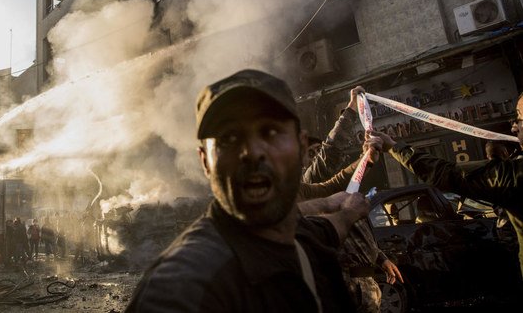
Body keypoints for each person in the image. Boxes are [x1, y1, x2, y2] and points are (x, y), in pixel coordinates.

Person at [126, 69, 371, 312]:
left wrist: (346, 213)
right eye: (229, 138)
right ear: (205, 161)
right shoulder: (180, 289)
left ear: (301, 145)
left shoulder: (299, 237)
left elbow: (324, 227)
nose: (252, 152)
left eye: (271, 132)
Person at [369, 91, 523, 277]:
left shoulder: (513, 175)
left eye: (520, 119)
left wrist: (393, 146)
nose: (514, 128)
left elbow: (446, 174)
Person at [301, 86, 403, 313]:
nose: (318, 156)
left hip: (365, 286)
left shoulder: (346, 190)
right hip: (344, 288)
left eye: (319, 151)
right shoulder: (311, 183)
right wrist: (350, 109)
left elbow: (360, 230)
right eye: (313, 153)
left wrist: (380, 258)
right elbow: (331, 150)